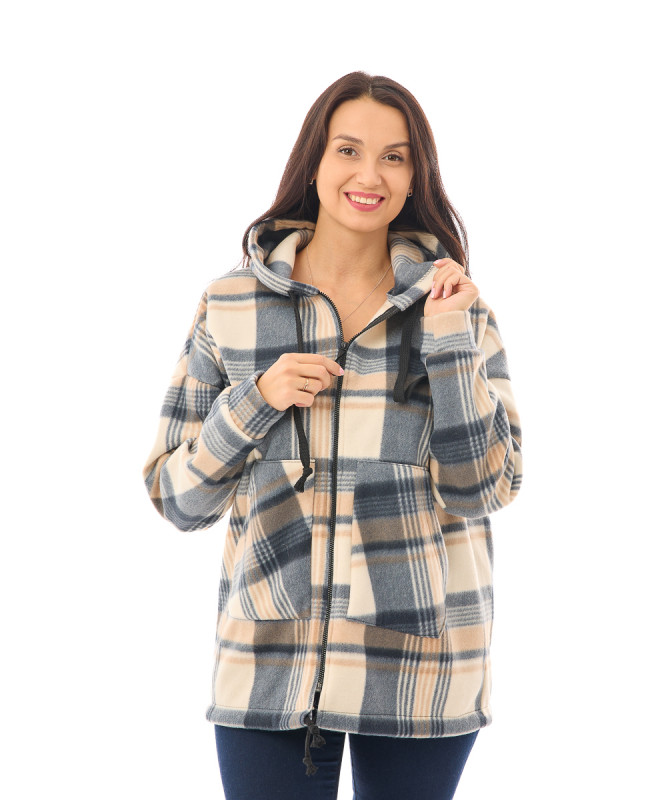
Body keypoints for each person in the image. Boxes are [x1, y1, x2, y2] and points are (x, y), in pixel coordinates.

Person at [143, 71, 523, 800]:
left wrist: (448, 347)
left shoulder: (456, 308)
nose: (369, 175)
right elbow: (177, 498)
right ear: (314, 162)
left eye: (394, 157)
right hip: (268, 662)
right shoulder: (231, 303)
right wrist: (256, 401)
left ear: (415, 178)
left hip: (419, 666)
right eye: (348, 150)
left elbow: (485, 489)